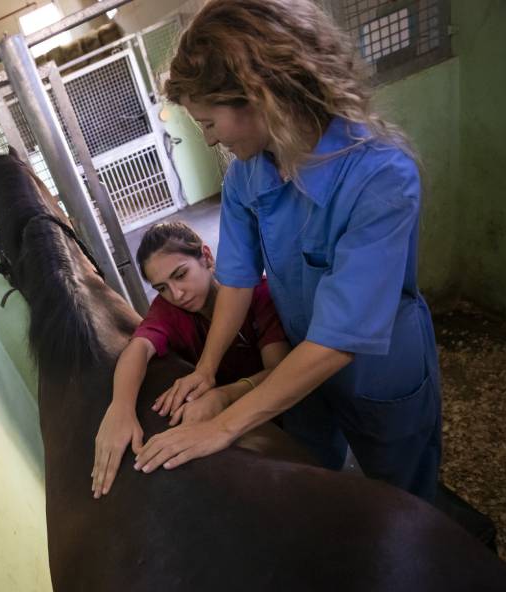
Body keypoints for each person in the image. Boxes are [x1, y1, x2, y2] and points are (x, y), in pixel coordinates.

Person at [132, 0, 443, 501]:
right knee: (310, 477)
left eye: (209, 123)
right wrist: (207, 370)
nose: (209, 140)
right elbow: (236, 280)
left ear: (260, 98)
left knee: (404, 497)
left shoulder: (381, 175)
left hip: (377, 373)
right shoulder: (247, 174)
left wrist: (223, 425)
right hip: (299, 363)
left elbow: (339, 341)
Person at [91, 222, 289, 499]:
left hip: (284, 411)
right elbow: (138, 349)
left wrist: (224, 395)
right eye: (162, 288)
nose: (177, 294)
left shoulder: (258, 293)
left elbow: (281, 372)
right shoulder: (169, 310)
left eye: (181, 275)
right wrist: (121, 407)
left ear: (206, 257)